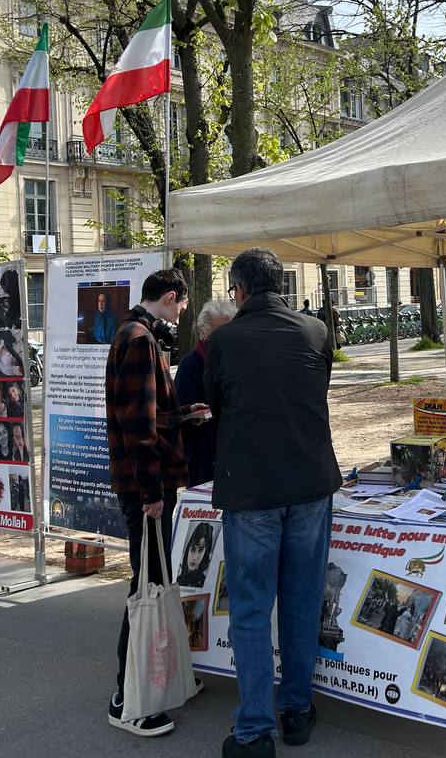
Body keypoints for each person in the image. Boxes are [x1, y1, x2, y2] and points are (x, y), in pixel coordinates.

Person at [205, 248, 342, 757]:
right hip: (309, 484)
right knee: (303, 603)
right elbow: (313, 391)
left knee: (251, 609)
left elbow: (218, 407)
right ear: (279, 284)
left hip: (254, 490)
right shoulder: (316, 332)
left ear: (238, 290)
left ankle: (255, 731)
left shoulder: (225, 341)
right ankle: (297, 712)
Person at [105, 268, 206, 738]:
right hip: (146, 487)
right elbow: (138, 427)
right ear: (170, 297)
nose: (181, 314)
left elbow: (150, 416)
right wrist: (151, 493)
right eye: (181, 307)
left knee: (151, 581)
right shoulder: (142, 340)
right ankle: (128, 698)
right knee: (146, 587)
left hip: (144, 482)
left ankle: (156, 682)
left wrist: (185, 415)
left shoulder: (133, 332)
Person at [174, 298, 236, 486]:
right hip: (203, 458)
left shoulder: (238, 359)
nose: (227, 337)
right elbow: (180, 410)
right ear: (203, 332)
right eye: (220, 332)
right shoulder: (190, 364)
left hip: (236, 455)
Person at [177, 521, 216, 588]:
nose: (195, 558)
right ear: (188, 549)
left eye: (201, 550)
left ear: (205, 553)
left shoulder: (204, 582)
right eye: (193, 549)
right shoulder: (178, 579)